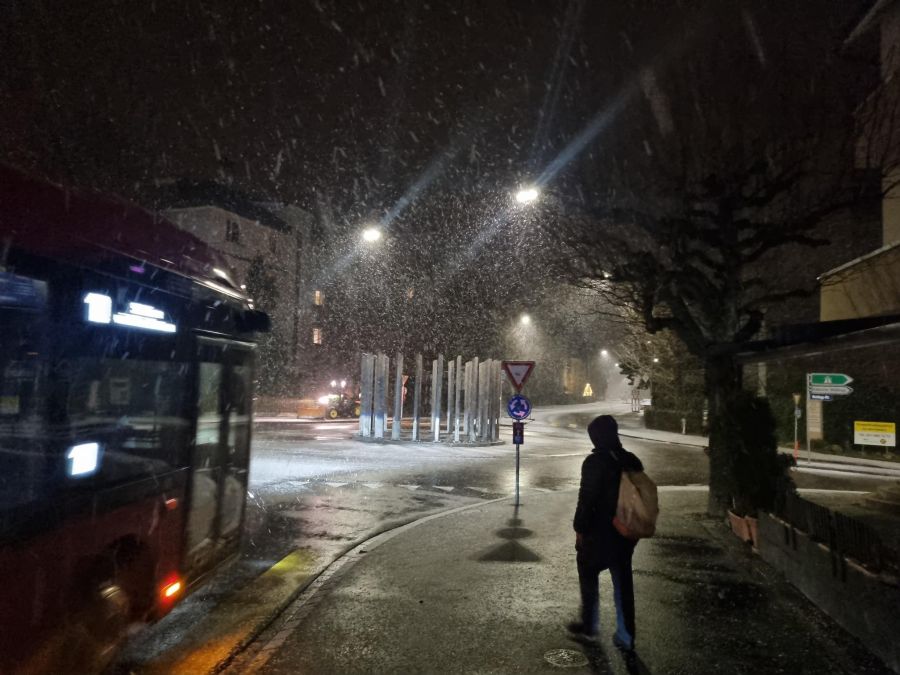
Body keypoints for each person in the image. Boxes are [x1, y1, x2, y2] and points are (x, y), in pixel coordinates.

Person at [569, 414, 643, 652]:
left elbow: (586, 499)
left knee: (588, 573)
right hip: (625, 532)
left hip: (597, 533)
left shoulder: (594, 463)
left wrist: (579, 529)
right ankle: (626, 634)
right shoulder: (632, 460)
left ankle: (589, 625)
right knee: (623, 582)